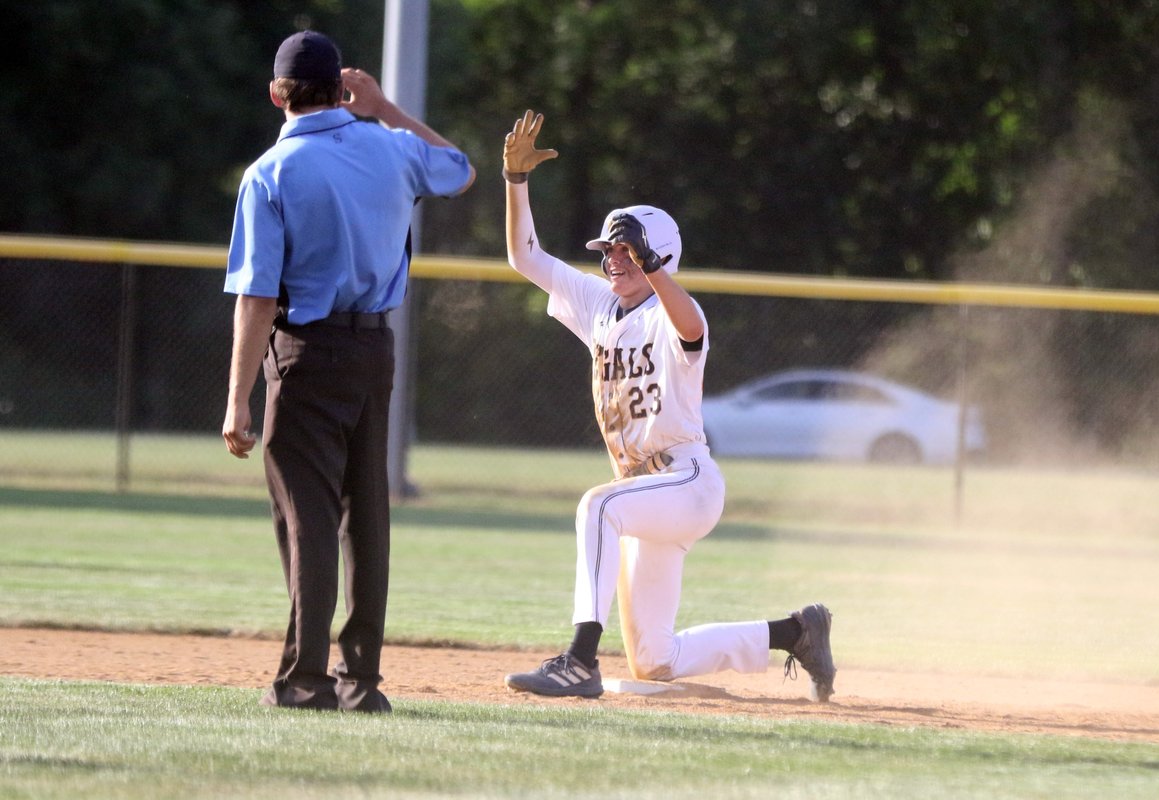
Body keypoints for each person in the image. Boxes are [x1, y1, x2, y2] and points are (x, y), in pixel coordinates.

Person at [499, 110, 836, 701]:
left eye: (625, 250)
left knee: (597, 507)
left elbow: (691, 326)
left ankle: (579, 659)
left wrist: (651, 266)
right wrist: (516, 182)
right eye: (609, 250)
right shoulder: (600, 304)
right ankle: (796, 633)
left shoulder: (672, 310)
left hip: (686, 481)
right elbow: (526, 257)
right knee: (654, 660)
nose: (613, 260)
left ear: (656, 256)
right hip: (645, 492)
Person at [221, 30, 475, 712]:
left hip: (305, 352)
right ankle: (361, 683)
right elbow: (459, 169)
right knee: (365, 513)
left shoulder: (271, 172)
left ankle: (306, 680)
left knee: (306, 514)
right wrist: (385, 108)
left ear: (276, 94)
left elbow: (258, 296)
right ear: (342, 89)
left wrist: (238, 398)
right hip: (374, 351)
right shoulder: (390, 146)